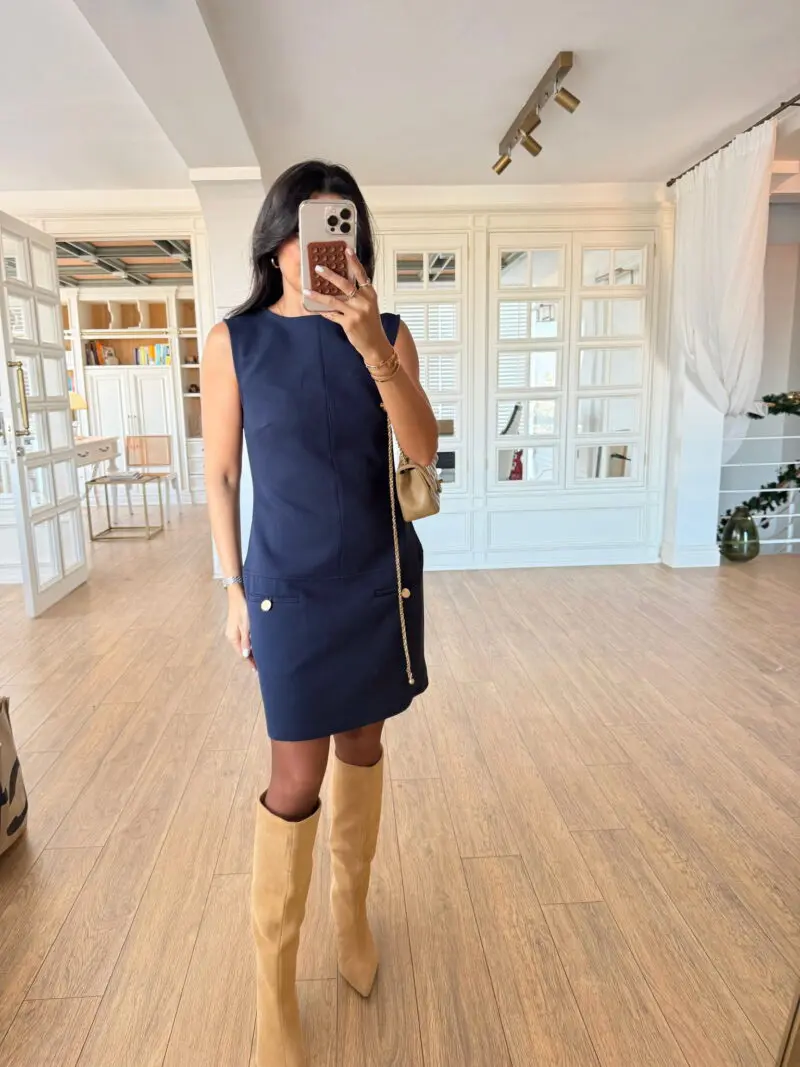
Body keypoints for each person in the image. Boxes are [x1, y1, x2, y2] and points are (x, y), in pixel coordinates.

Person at [201, 160, 437, 1067]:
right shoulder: (236, 340)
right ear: (278, 240)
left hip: (376, 577)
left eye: (342, 229)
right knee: (294, 779)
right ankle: (274, 982)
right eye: (308, 229)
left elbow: (423, 449)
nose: (324, 248)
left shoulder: (390, 331)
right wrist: (231, 585)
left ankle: (352, 912)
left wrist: (372, 342)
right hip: (287, 588)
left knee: (363, 747)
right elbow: (223, 474)